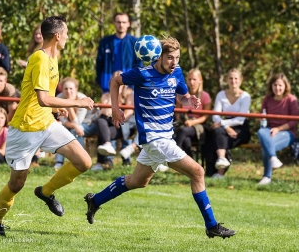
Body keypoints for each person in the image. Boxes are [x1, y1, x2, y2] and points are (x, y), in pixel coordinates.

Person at [84, 37, 236, 239]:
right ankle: (212, 225)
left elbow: (182, 95)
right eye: (170, 58)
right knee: (198, 172)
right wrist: (115, 107)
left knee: (137, 181)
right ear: (159, 57)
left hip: (166, 138)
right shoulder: (142, 74)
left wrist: (188, 99)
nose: (174, 62)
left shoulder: (177, 73)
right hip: (154, 139)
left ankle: (95, 201)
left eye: (177, 58)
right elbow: (115, 81)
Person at [0, 16, 94, 237]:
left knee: (84, 161)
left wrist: (57, 109)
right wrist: (77, 102)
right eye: (65, 34)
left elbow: (45, 100)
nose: (67, 37)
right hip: (25, 130)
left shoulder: (52, 59)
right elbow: (44, 99)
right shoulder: (40, 59)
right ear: (57, 36)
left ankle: (46, 192)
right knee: (16, 184)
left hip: (46, 124)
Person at [204, 69, 251, 178]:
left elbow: (240, 119)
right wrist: (226, 126)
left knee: (218, 135)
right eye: (231, 78)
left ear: (240, 80)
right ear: (227, 80)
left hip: (241, 129)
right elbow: (215, 115)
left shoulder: (245, 96)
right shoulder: (221, 95)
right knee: (215, 133)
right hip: (224, 128)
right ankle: (218, 164)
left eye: (236, 78)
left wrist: (223, 124)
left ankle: (220, 172)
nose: (233, 81)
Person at [257, 73, 299, 185]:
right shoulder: (267, 99)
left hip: (287, 132)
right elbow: (263, 116)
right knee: (261, 132)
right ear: (271, 86)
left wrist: (278, 129)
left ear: (285, 86)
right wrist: (260, 118)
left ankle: (267, 176)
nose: (277, 88)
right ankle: (273, 158)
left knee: (266, 146)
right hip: (268, 130)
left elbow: (294, 121)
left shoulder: (291, 99)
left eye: (280, 85)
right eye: (275, 85)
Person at [91, 71, 135, 171]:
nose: (118, 82)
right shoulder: (106, 95)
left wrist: (116, 118)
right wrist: (113, 95)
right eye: (115, 80)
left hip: (122, 125)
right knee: (100, 122)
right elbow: (104, 112)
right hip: (108, 123)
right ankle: (107, 144)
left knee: (102, 131)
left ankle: (99, 163)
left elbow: (128, 113)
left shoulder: (130, 95)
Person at [96, 12, 143, 93]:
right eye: (118, 22)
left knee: (129, 104)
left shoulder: (135, 42)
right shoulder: (105, 42)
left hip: (129, 87)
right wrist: (101, 82)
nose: (121, 25)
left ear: (128, 24)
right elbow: (99, 64)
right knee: (107, 104)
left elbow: (139, 66)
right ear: (114, 23)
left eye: (124, 22)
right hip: (108, 86)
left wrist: (131, 86)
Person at [174, 68, 211, 159]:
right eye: (189, 79)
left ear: (200, 80)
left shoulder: (205, 96)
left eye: (194, 79)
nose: (192, 82)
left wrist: (192, 122)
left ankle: (173, 154)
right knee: (185, 139)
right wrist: (181, 120)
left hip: (198, 126)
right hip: (184, 123)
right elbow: (177, 112)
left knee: (183, 131)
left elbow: (206, 116)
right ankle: (190, 163)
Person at [54, 77, 88, 170]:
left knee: (77, 131)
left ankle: (80, 161)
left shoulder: (82, 99)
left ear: (76, 89)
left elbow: (78, 122)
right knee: (62, 131)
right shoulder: (58, 98)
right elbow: (61, 120)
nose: (68, 91)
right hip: (69, 124)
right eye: (65, 88)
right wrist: (69, 103)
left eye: (71, 89)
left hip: (87, 122)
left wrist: (69, 104)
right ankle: (59, 162)